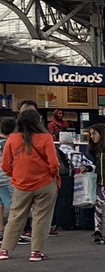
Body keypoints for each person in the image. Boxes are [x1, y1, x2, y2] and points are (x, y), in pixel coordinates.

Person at [0, 109, 59, 262]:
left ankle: (4, 249)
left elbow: (5, 165)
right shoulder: (46, 138)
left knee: (15, 216)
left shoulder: (12, 139)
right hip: (45, 183)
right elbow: (54, 164)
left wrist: (16, 176)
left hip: (21, 184)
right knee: (41, 218)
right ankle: (36, 252)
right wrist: (51, 175)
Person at [0, 117, 14, 233]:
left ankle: (1, 230)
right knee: (15, 205)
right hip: (6, 177)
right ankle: (13, 231)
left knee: (0, 205)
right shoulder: (8, 143)